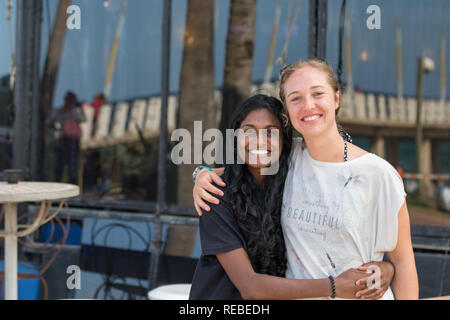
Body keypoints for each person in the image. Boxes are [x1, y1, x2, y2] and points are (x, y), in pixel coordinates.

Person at [193, 59, 418, 299]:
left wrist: (388, 268)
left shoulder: (378, 174)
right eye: (296, 98)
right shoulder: (287, 157)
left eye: (318, 93)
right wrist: (202, 173)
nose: (308, 105)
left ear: (337, 99)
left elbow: (402, 262)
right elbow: (243, 167)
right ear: (288, 111)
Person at [53, 91, 85, 184]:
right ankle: (72, 184)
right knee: (72, 164)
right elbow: (82, 119)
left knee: (62, 164)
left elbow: (51, 121)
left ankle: (59, 182)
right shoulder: (75, 110)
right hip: (72, 139)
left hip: (64, 138)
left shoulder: (60, 111)